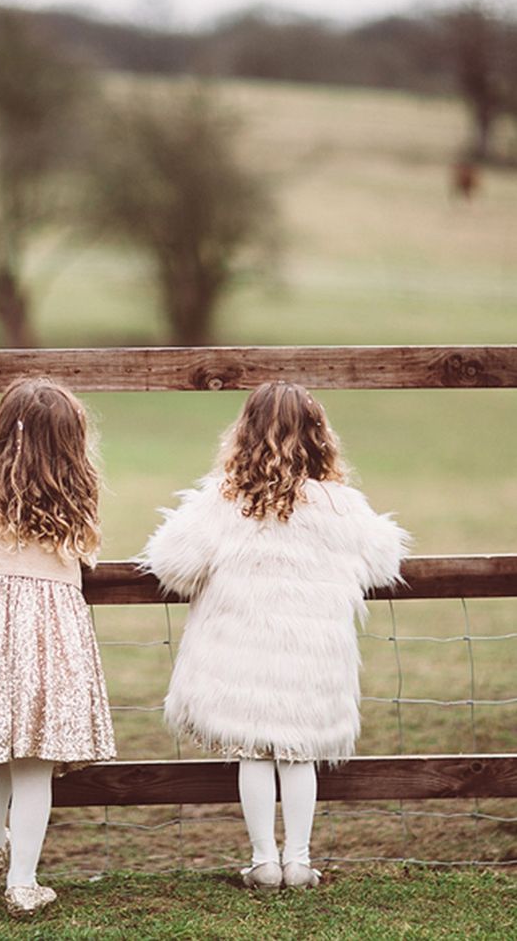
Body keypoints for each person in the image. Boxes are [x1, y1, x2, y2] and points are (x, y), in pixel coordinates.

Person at [141, 382, 409, 891]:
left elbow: (172, 563)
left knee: (254, 752)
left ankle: (263, 859)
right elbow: (383, 560)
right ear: (319, 437)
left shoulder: (223, 503)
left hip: (243, 649)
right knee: (299, 752)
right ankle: (300, 860)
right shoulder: (340, 507)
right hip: (312, 654)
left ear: (244, 434)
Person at [0, 377, 115, 919]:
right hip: (50, 634)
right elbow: (89, 560)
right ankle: (23, 883)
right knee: (34, 761)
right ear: (72, 441)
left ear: (0, 432)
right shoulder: (77, 498)